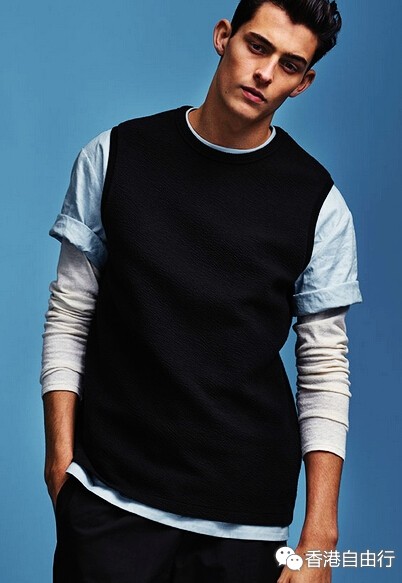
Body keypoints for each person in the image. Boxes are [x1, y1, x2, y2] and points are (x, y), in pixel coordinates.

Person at [41, 1, 362, 581]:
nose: (265, 73)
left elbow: (323, 367)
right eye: (257, 46)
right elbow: (70, 314)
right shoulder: (115, 155)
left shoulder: (320, 204)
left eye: (289, 64)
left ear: (304, 83)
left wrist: (321, 533)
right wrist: (60, 462)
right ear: (223, 37)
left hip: (247, 524)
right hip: (108, 500)